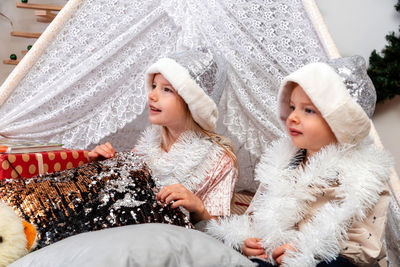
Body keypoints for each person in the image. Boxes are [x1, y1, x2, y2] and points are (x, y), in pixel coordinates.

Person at [207, 56, 393, 266]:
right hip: (275, 257)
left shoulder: (363, 177)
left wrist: (305, 251)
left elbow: (365, 247)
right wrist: (245, 240)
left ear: (340, 121)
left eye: (308, 110)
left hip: (333, 260)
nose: (292, 117)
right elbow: (254, 216)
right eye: (293, 107)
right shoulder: (282, 163)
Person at [89, 47, 238, 223]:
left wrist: (198, 207)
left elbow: (222, 232)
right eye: (153, 86)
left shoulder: (219, 161)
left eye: (166, 89)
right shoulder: (145, 148)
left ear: (192, 102)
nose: (152, 95)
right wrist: (103, 169)